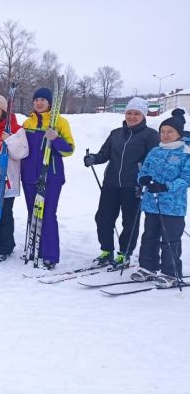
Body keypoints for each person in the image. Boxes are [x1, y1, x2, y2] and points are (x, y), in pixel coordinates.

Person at [83, 97, 159, 267]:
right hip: (111, 184)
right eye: (129, 113)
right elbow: (104, 154)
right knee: (103, 218)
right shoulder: (116, 133)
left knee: (129, 222)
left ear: (143, 115)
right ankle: (106, 250)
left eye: (136, 113)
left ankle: (124, 254)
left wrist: (147, 180)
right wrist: (93, 158)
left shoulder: (150, 135)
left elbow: (153, 161)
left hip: (134, 186)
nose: (132, 117)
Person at [132, 109, 190, 287]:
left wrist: (166, 186)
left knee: (170, 238)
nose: (165, 135)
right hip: (151, 203)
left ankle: (170, 272)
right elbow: (144, 170)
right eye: (162, 132)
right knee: (149, 235)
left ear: (178, 133)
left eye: (170, 132)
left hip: (173, 206)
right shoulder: (155, 151)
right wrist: (142, 178)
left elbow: (186, 179)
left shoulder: (185, 153)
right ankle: (147, 268)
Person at [21, 87, 75, 269]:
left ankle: (50, 254)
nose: (39, 102)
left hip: (51, 176)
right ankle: (36, 249)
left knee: (48, 214)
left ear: (50, 102)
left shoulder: (60, 122)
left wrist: (56, 139)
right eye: (36, 100)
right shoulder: (28, 123)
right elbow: (22, 148)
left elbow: (69, 150)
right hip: (29, 176)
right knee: (33, 213)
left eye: (43, 99)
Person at [0, 95, 29, 261]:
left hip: (7, 180)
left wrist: (9, 140)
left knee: (4, 215)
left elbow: (22, 152)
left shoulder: (16, 129)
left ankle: (5, 246)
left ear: (4, 111)